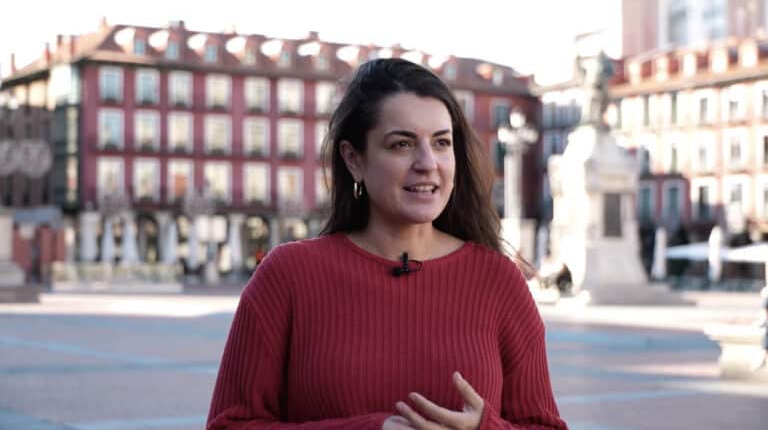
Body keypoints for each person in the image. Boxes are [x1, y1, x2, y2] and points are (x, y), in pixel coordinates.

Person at [207, 58, 568, 429]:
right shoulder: (288, 276)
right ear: (354, 159)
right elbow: (229, 424)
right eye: (402, 144)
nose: (428, 163)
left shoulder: (499, 280)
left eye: (441, 143)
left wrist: (484, 428)